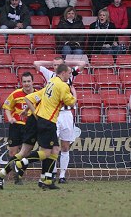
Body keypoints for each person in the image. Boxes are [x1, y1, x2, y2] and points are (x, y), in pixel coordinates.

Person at [14, 64, 76, 189]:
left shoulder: (51, 81)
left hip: (43, 118)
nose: (70, 76)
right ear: (63, 73)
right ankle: (22, 163)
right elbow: (70, 102)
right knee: (46, 152)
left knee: (55, 150)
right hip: (49, 120)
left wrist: (27, 111)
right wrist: (75, 94)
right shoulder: (62, 85)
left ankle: (47, 180)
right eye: (69, 73)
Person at [33, 56, 86, 184]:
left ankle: (62, 175)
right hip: (54, 114)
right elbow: (36, 62)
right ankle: (51, 172)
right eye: (54, 65)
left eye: (58, 65)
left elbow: (83, 63)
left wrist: (66, 63)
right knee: (51, 145)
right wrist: (51, 62)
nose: (56, 67)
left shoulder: (69, 74)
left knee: (65, 146)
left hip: (67, 114)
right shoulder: (49, 74)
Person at [0, 87, 43, 189]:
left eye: (28, 81)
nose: (27, 84)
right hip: (17, 125)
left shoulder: (37, 94)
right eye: (25, 81)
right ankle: (46, 179)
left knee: (26, 153)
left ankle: (17, 175)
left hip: (31, 125)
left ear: (32, 82)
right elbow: (7, 107)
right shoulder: (16, 94)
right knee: (14, 153)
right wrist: (10, 118)